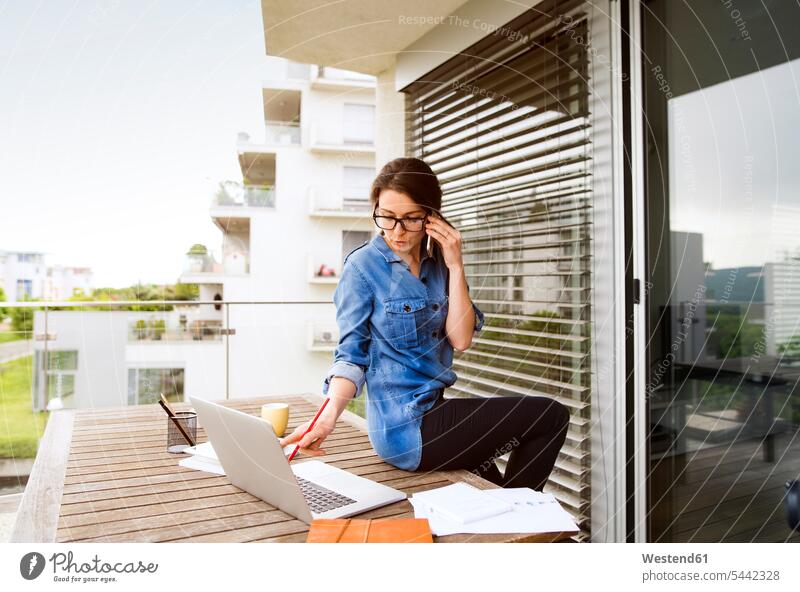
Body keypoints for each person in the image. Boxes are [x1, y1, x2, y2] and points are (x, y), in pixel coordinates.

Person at [280, 157, 570, 491]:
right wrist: (328, 417)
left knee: (496, 486)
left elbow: (460, 339)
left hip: (435, 414)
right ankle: (527, 522)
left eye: (410, 219)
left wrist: (456, 264)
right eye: (386, 217)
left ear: (430, 217)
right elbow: (351, 355)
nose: (397, 231)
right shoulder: (362, 267)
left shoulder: (440, 265)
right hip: (405, 429)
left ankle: (522, 524)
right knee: (550, 415)